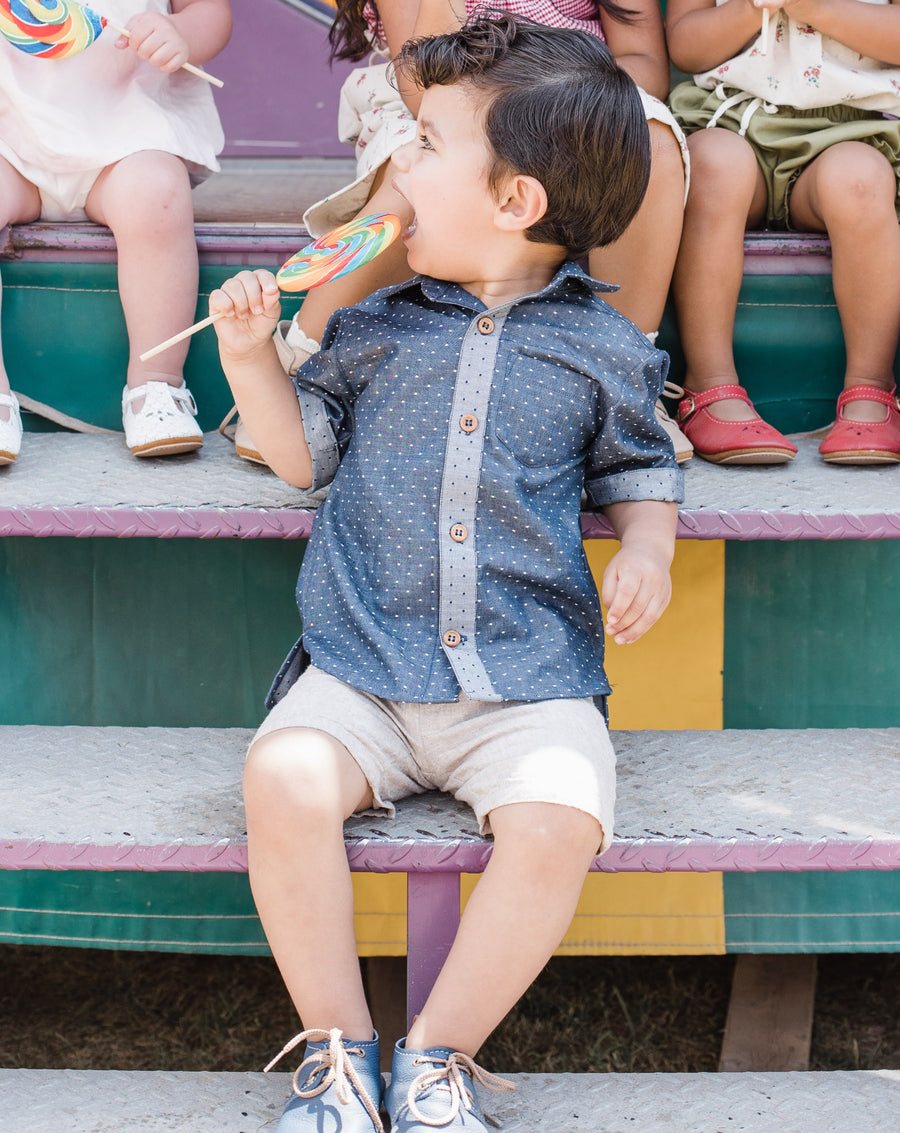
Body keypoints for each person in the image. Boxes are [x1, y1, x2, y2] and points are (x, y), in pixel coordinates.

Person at [212, 16, 683, 1132]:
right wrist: (248, 359)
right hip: (366, 666)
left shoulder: (605, 349)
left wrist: (651, 545)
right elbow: (300, 458)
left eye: (423, 145)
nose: (400, 168)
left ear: (517, 202)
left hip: (524, 680)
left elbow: (641, 463)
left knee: (562, 818)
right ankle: (335, 1050)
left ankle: (439, 1054)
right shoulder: (373, 327)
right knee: (281, 780)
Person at [229, 0, 693, 467]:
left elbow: (646, 66)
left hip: (570, 106)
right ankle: (300, 367)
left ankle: (625, 381)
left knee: (647, 137)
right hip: (439, 106)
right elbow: (419, 86)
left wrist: (556, 103)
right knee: (414, 178)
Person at [667, 0, 900, 465]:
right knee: (712, 167)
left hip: (850, 128)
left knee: (860, 182)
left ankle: (871, 390)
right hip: (730, 118)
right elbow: (687, 46)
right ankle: (710, 387)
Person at [0, 0, 232, 466]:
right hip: (11, 140)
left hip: (126, 137)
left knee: (156, 195)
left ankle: (157, 382)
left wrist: (179, 31)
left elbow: (210, 12)